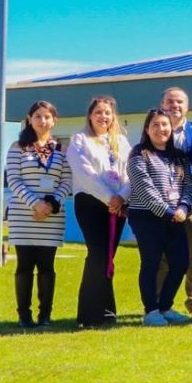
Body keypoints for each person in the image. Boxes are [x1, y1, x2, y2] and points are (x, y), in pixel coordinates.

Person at [127, 108, 192, 327]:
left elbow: (189, 185)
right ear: (147, 129)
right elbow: (144, 187)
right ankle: (151, 311)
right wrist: (168, 212)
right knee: (151, 263)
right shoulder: (139, 154)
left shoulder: (179, 156)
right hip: (147, 217)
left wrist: (183, 208)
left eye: (164, 124)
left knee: (181, 262)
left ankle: (165, 306)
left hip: (176, 217)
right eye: (155, 125)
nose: (160, 129)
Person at [66, 96, 132, 329]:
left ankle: (107, 311)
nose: (103, 117)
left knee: (108, 257)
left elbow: (129, 174)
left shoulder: (121, 142)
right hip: (90, 203)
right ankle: (90, 314)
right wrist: (108, 197)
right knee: (98, 254)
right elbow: (85, 174)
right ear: (90, 116)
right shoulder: (80, 140)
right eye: (98, 112)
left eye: (107, 112)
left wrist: (121, 197)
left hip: (117, 204)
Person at [6, 101, 72, 328]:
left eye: (47, 117)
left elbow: (67, 180)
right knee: (24, 267)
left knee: (47, 268)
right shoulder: (18, 147)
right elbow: (13, 179)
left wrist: (52, 203)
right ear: (29, 119)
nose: (42, 121)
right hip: (24, 216)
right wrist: (35, 204)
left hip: (52, 218)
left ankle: (45, 315)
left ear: (54, 121)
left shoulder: (62, 149)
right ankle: (24, 315)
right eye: (38, 116)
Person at [156, 87, 192, 318]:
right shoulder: (155, 131)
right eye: (170, 101)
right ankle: (159, 302)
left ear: (187, 106)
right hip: (163, 205)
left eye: (179, 102)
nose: (174, 105)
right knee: (163, 256)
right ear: (162, 105)